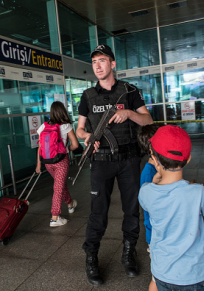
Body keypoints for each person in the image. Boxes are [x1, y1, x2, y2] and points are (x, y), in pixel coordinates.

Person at [76, 44, 153, 286]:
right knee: (98, 212)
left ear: (113, 64)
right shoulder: (88, 96)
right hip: (100, 161)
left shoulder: (129, 91)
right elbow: (79, 129)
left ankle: (129, 252)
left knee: (131, 209)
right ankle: (91, 257)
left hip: (129, 159)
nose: (97, 66)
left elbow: (148, 120)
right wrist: (87, 137)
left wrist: (129, 113)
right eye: (94, 62)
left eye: (102, 60)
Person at [139, 125, 204, 291]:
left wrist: (155, 181)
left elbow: (157, 197)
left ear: (153, 156)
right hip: (191, 277)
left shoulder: (145, 191)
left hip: (161, 272)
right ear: (188, 159)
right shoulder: (197, 193)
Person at [36, 101, 80, 227]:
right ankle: (55, 218)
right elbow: (76, 145)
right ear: (63, 111)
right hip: (61, 161)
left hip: (47, 162)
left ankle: (70, 204)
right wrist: (67, 149)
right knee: (58, 188)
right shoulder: (66, 126)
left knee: (59, 185)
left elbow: (40, 148)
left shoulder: (43, 127)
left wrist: (38, 164)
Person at [137, 124, 160, 291]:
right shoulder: (148, 174)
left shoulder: (159, 168)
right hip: (156, 236)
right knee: (158, 279)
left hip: (162, 234)